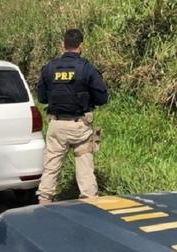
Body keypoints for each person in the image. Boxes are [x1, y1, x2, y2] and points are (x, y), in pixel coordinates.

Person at [36, 29, 108, 204]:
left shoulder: (49, 68)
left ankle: (44, 203)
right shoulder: (87, 69)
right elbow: (102, 98)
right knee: (85, 167)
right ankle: (89, 204)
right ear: (81, 46)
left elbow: (42, 97)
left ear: (63, 45)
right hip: (80, 127)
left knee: (51, 167)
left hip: (57, 125)